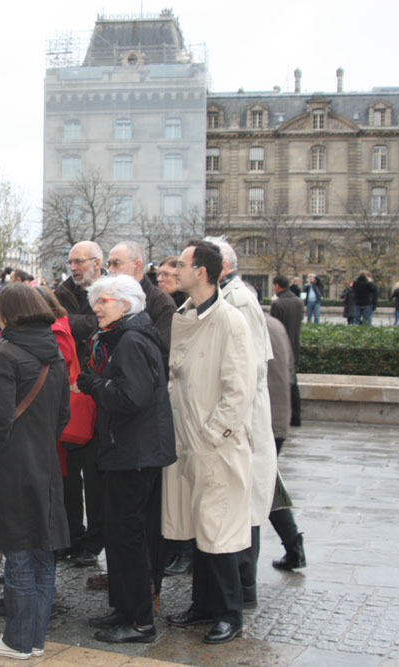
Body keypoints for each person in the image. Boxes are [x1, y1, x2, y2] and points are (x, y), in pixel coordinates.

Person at [0, 283, 70, 660]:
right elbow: (63, 414)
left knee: (18, 554)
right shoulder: (55, 350)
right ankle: (35, 639)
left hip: (11, 464)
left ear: (8, 314)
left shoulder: (7, 351)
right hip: (45, 462)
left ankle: (16, 640)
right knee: (43, 552)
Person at [164, 240, 255, 645]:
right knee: (198, 528)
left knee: (219, 531)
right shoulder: (184, 315)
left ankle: (229, 614)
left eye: (181, 265)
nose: (174, 271)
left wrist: (214, 434)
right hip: (186, 440)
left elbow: (239, 387)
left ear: (201, 272)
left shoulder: (231, 320)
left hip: (214, 444)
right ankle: (202, 604)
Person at [78, 275, 175, 645]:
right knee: (120, 536)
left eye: (103, 301)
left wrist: (94, 384)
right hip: (129, 451)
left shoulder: (132, 339)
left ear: (125, 303)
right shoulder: (126, 336)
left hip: (134, 453)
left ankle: (139, 621)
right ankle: (124, 608)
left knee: (128, 537)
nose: (96, 308)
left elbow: (132, 397)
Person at [208, 236, 278, 613]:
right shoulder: (228, 296)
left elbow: (248, 366)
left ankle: (244, 586)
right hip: (236, 416)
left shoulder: (238, 300)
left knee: (245, 500)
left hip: (244, 416)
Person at [52, 241, 104, 567]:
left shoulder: (110, 288)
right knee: (67, 474)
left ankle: (94, 540)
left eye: (79, 262)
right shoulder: (63, 291)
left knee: (95, 475)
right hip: (69, 391)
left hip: (100, 392)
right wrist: (87, 322)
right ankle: (70, 534)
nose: (73, 267)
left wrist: (73, 322)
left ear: (97, 263)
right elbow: (58, 323)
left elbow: (87, 324)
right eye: (70, 262)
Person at [265, 314, 307, 572]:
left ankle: (293, 544)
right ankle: (293, 545)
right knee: (268, 483)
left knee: (263, 485)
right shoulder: (275, 324)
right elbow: (291, 371)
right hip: (279, 417)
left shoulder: (245, 323)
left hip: (264, 420)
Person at [271, 275, 304, 426]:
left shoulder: (278, 304)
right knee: (293, 381)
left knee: (281, 383)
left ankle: (286, 416)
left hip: (281, 348)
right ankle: (296, 415)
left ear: (277, 286)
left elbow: (274, 329)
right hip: (294, 345)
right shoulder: (298, 302)